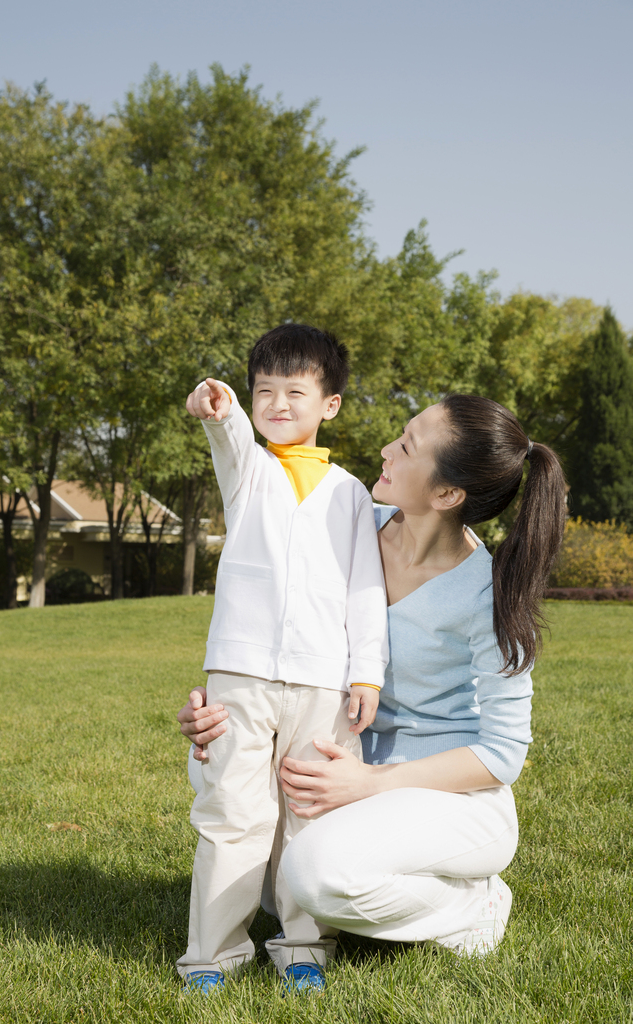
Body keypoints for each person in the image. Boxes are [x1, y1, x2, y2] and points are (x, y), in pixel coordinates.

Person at [180, 393, 566, 964]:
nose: (386, 449)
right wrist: (225, 702)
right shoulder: (350, 526)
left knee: (310, 876)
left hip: (452, 799)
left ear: (447, 494)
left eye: (407, 447)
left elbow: (504, 752)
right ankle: (351, 879)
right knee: (221, 781)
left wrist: (370, 784)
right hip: (339, 755)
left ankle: (472, 907)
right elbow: (272, 625)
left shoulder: (490, 595)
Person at [176, 324, 389, 994]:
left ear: (329, 403)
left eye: (294, 391)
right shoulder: (249, 474)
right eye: (262, 390)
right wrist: (215, 406)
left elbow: (366, 588)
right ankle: (210, 957)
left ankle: (303, 947)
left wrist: (366, 673)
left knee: (309, 813)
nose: (276, 403)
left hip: (323, 681)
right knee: (232, 813)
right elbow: (230, 434)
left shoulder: (352, 494)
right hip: (239, 673)